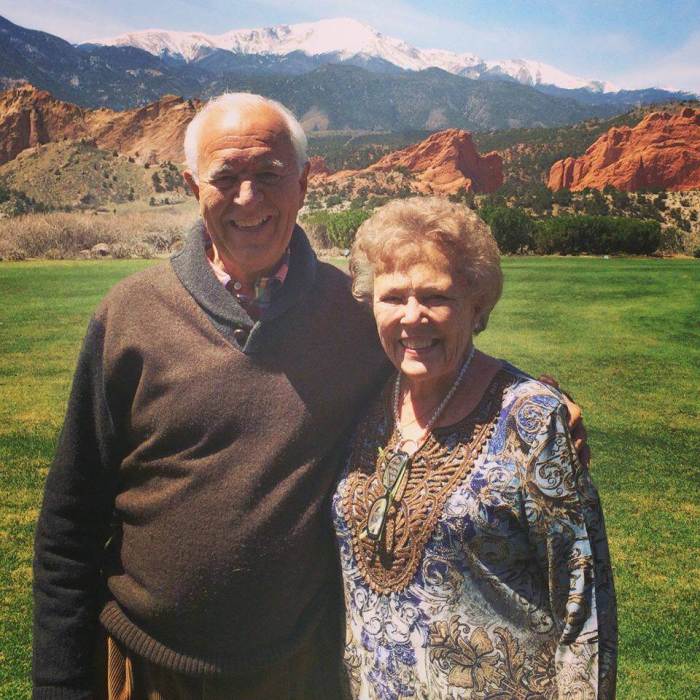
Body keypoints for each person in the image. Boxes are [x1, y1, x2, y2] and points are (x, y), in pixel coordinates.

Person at [33, 93, 589, 699]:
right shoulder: (128, 318)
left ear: (303, 182)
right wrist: (59, 686)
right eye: (227, 177)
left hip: (303, 674)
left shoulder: (350, 312)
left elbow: (435, 349)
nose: (249, 198)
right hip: (150, 673)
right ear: (194, 186)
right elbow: (70, 525)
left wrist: (534, 404)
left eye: (269, 175)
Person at [333, 197, 616, 699]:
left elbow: (583, 608)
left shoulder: (530, 419)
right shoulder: (365, 403)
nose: (412, 317)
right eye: (393, 297)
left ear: (477, 304)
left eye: (436, 298)